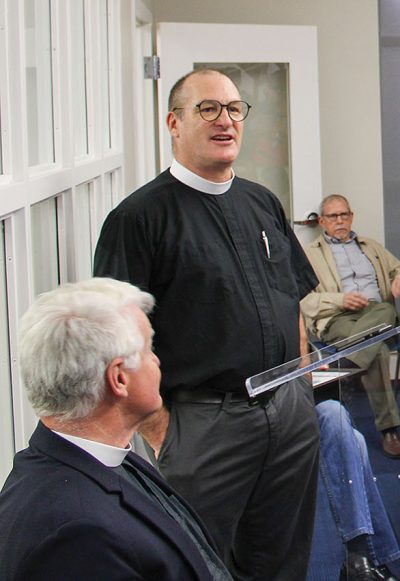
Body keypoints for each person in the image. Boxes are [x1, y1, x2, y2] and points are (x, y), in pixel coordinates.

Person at [94, 69, 320, 579]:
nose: (226, 121)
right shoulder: (138, 219)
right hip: (203, 428)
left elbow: (292, 301)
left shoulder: (262, 201)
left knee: (282, 559)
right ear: (173, 123)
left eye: (235, 108)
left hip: (287, 416)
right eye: (208, 109)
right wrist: (159, 431)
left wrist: (301, 386)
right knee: (196, 564)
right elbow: (115, 340)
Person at [0, 278, 231, 581]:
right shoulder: (76, 535)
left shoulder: (102, 461)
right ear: (119, 379)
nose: (156, 360)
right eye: (148, 349)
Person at [302, 194, 400, 458]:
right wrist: (340, 299)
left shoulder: (371, 247)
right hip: (338, 320)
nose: (340, 221)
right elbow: (303, 301)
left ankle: (349, 362)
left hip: (379, 315)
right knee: (374, 349)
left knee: (385, 309)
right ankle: (389, 430)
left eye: (344, 215)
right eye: (333, 216)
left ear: (351, 217)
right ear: (322, 221)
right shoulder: (309, 255)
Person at [309, 401, 400, 581]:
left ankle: (358, 560)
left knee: (335, 415)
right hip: (259, 411)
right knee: (355, 442)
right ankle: (364, 559)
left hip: (300, 401)